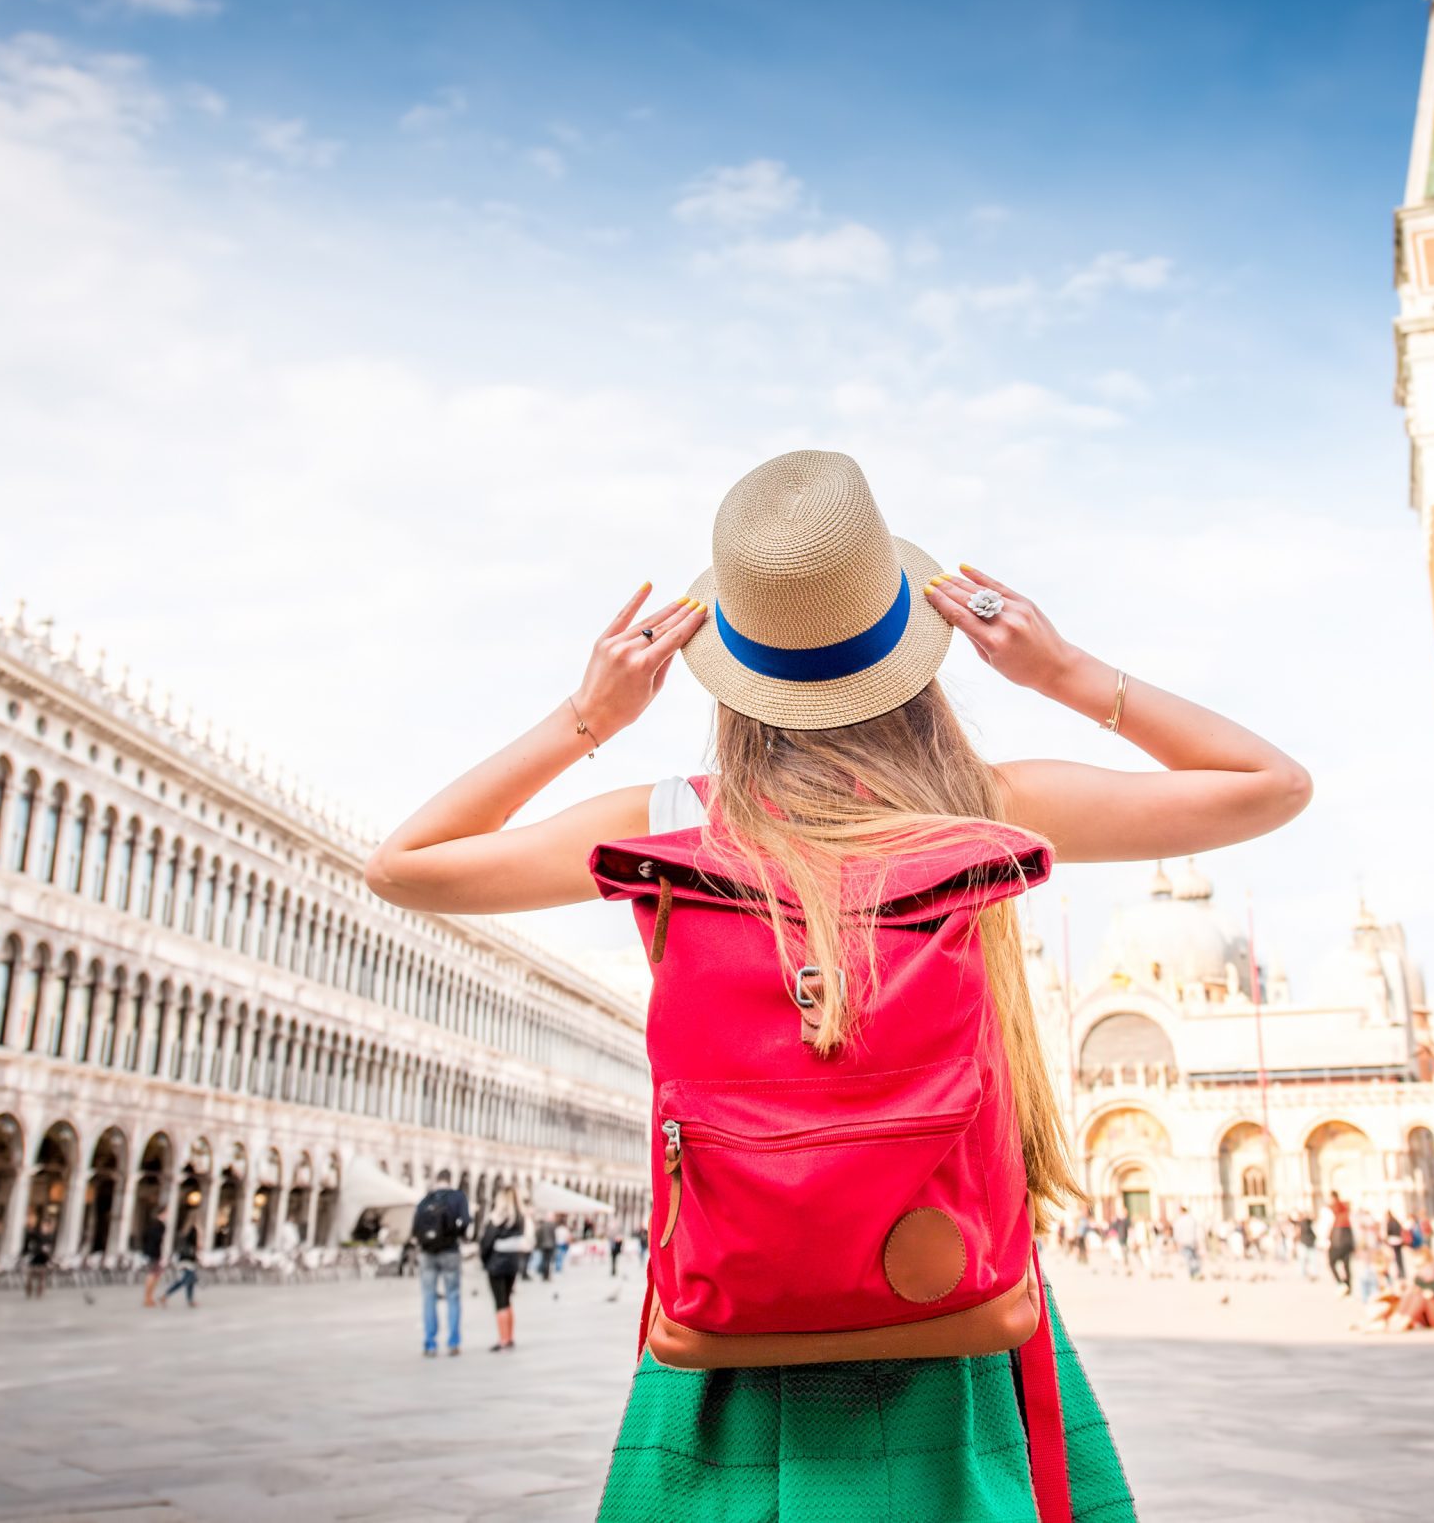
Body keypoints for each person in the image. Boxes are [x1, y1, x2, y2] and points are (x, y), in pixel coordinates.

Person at [365, 449, 1311, 1521]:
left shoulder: (669, 818)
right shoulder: (980, 807)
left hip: (727, 1323)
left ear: (730, 663)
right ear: (909, 650)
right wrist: (1063, 672)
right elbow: (1270, 784)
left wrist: (588, 715)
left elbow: (407, 863)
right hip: (949, 1307)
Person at [410, 1172, 470, 1357]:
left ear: (437, 1181)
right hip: (450, 1251)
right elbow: (466, 1221)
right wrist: (456, 1234)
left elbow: (414, 1229)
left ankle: (430, 1344)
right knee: (452, 1296)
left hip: (428, 1253)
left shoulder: (426, 1199)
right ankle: (453, 1342)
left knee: (429, 1297)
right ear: (450, 1180)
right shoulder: (457, 1197)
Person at [476, 1185, 529, 1352]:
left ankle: (503, 1339)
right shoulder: (519, 1218)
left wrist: (484, 1260)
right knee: (507, 1299)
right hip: (513, 1263)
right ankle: (510, 1336)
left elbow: (486, 1242)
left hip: (497, 1263)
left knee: (500, 1302)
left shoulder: (497, 1218)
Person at [1326, 1194, 1355, 1289]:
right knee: (1346, 1265)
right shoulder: (1346, 1214)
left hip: (1339, 1241)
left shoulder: (1338, 1214)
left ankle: (1341, 1283)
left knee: (1332, 1262)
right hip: (1347, 1240)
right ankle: (1348, 1285)